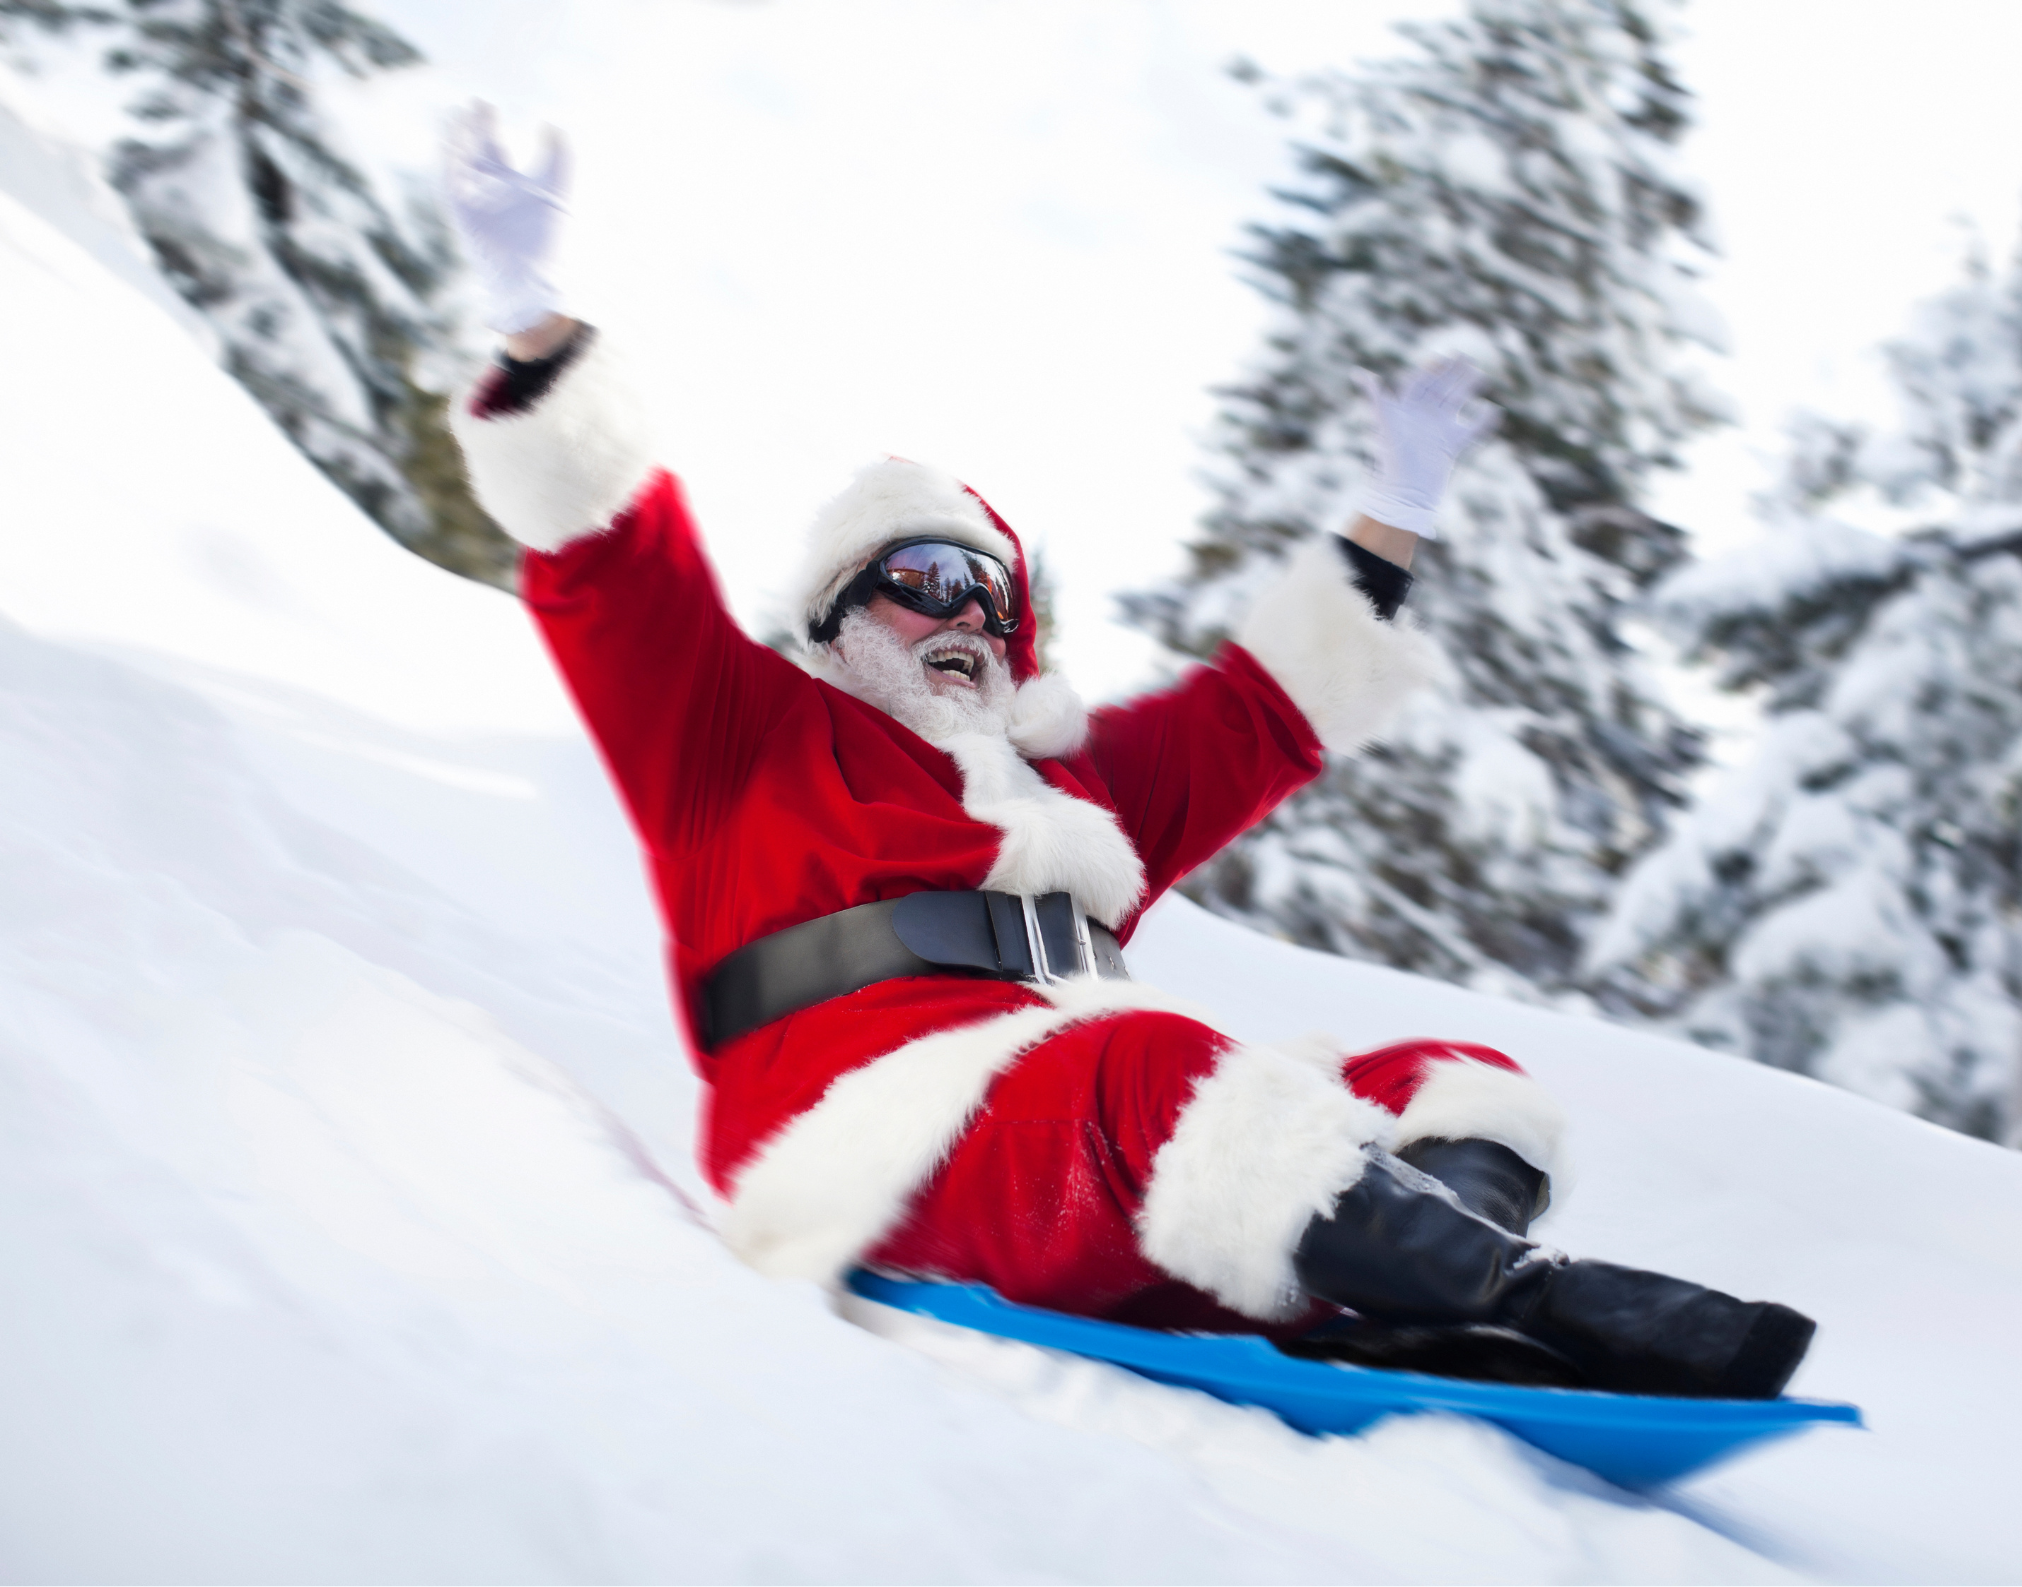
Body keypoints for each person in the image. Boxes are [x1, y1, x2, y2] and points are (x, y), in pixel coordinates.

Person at [441, 107, 1816, 1398]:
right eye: (928, 577)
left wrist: (1396, 514)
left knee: (1442, 1079)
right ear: (838, 613)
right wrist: (531, 317)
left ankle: (1412, 1297)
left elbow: (1262, 711)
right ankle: (1526, 1294)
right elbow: (609, 553)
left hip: (1105, 1152)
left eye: (992, 593)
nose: (970, 613)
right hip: (864, 1139)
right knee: (1150, 1069)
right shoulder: (738, 733)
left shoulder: (1069, 792)